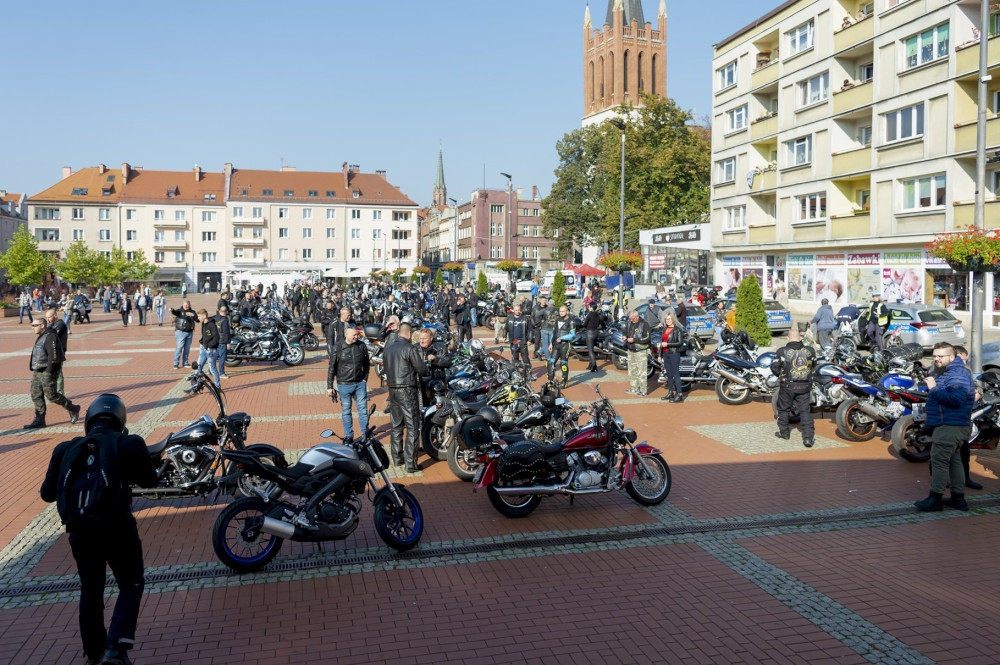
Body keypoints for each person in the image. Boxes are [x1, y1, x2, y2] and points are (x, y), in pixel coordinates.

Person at [39, 394, 156, 665]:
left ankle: (93, 653)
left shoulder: (64, 448)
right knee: (131, 582)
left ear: (89, 419)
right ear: (121, 419)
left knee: (91, 588)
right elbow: (150, 480)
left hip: (79, 530)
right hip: (116, 525)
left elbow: (47, 494)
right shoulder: (129, 443)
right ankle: (116, 650)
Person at [915, 343, 975, 511]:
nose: (936, 359)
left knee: (939, 462)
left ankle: (935, 498)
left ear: (952, 357)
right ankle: (958, 498)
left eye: (940, 356)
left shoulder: (956, 374)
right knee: (955, 462)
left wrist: (933, 388)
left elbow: (956, 399)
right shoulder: (950, 373)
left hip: (950, 426)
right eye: (934, 356)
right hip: (953, 425)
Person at [384, 323, 426, 472]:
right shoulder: (410, 348)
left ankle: (397, 458)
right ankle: (411, 463)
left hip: (393, 390)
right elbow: (421, 369)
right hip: (407, 389)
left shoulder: (388, 349)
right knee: (412, 426)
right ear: (408, 333)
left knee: (396, 426)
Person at [26, 317, 81, 429]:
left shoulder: (51, 336)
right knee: (35, 394)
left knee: (51, 395)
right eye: (32, 326)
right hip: (38, 370)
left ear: (42, 326)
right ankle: (39, 420)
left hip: (48, 370)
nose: (33, 328)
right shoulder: (42, 336)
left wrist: (49, 371)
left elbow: (53, 355)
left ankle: (72, 408)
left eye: (35, 325)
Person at [772, 328, 817, 447]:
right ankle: (808, 438)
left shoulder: (782, 351)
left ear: (788, 338)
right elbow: (813, 366)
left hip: (787, 385)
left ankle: (784, 433)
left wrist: (781, 375)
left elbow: (775, 368)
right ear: (800, 338)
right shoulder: (810, 350)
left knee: (783, 409)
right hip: (804, 386)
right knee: (805, 412)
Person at [327, 326, 370, 442]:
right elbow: (332, 367)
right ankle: (349, 436)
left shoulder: (361, 346)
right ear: (346, 335)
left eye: (357, 335)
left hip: (359, 383)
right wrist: (329, 387)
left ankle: (365, 435)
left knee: (363, 410)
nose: (356, 337)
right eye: (353, 335)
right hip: (344, 384)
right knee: (346, 411)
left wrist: (365, 378)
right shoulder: (338, 347)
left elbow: (367, 363)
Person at [953, 346, 983, 490]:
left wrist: (978, 393)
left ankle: (966, 478)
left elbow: (977, 386)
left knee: (964, 449)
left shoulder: (967, 371)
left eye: (966, 360)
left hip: (964, 416)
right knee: (944, 452)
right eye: (961, 360)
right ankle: (942, 482)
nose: (964, 363)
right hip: (948, 417)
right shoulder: (939, 371)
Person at [659, 312, 685, 402]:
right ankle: (670, 392)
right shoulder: (665, 329)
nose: (668, 321)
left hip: (674, 353)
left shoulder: (677, 330)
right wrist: (660, 354)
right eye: (666, 319)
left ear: (673, 320)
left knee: (675, 374)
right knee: (668, 374)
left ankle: (679, 394)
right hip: (666, 354)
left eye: (669, 319)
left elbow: (679, 343)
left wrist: (668, 344)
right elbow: (661, 343)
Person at [624, 309, 651, 396]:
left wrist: (634, 340)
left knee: (641, 371)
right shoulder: (628, 323)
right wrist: (624, 336)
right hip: (631, 350)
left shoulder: (644, 324)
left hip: (640, 351)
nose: (631, 320)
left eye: (632, 318)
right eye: (630, 318)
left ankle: (643, 390)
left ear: (637, 316)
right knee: (632, 371)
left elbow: (647, 338)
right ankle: (634, 388)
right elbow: (625, 331)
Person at [45, 307, 70, 396]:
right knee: (53, 372)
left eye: (49, 317)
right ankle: (54, 392)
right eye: (46, 318)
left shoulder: (60, 324)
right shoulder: (52, 325)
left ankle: (60, 393)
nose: (47, 319)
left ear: (55, 316)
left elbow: (52, 335)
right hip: (52, 351)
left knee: (58, 373)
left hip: (59, 352)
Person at [194, 309, 221, 389]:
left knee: (212, 368)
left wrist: (209, 346)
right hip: (203, 348)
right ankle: (196, 386)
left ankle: (217, 386)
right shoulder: (203, 323)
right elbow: (205, 335)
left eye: (199, 316)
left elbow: (216, 337)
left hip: (211, 350)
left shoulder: (211, 325)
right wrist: (201, 342)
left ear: (204, 316)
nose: (198, 318)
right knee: (198, 367)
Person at [549, 305, 574, 387]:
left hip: (565, 345)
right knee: (550, 363)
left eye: (563, 311)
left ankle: (564, 382)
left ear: (567, 312)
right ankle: (550, 381)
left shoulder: (571, 321)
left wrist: (562, 338)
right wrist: (550, 343)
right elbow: (554, 332)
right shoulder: (557, 320)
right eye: (560, 311)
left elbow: (572, 335)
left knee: (563, 364)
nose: (561, 313)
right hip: (556, 345)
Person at [503, 304, 533, 372]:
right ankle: (516, 373)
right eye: (516, 310)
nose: (517, 311)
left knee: (525, 358)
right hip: (513, 341)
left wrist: (530, 340)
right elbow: (505, 328)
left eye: (518, 310)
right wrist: (504, 336)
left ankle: (528, 372)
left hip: (523, 341)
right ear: (513, 310)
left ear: (520, 310)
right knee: (515, 358)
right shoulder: (509, 318)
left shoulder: (525, 318)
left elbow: (530, 330)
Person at [170, 300, 198, 369]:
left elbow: (197, 320)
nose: (186, 306)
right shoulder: (180, 311)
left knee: (187, 348)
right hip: (180, 332)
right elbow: (175, 312)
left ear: (189, 305)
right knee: (179, 348)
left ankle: (185, 362)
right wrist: (172, 310)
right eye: (185, 305)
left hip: (189, 332)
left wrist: (193, 315)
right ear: (183, 305)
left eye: (187, 305)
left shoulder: (192, 312)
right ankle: (176, 363)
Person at [582, 301, 602, 372]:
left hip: (590, 333)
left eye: (589, 306)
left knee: (590, 350)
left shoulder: (590, 314)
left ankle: (594, 365)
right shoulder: (598, 314)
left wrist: (583, 326)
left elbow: (584, 324)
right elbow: (600, 323)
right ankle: (590, 364)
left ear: (591, 307)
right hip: (596, 332)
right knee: (592, 349)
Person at [215, 304, 232, 380]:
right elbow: (226, 332)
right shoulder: (224, 320)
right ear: (226, 312)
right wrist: (228, 342)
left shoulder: (215, 318)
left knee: (215, 356)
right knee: (222, 357)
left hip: (216, 340)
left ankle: (210, 369)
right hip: (222, 341)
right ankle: (221, 373)